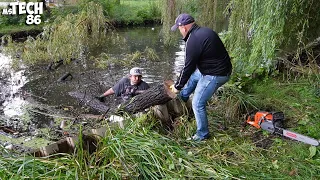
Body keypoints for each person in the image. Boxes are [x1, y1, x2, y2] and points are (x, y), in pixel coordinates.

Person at [170, 13, 232, 141]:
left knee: (198, 103)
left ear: (184, 28)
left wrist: (177, 86)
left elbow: (187, 67)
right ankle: (183, 98)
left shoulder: (193, 40)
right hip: (216, 69)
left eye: (179, 28)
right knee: (193, 78)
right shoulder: (204, 31)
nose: (179, 31)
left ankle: (202, 134)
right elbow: (192, 69)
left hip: (216, 74)